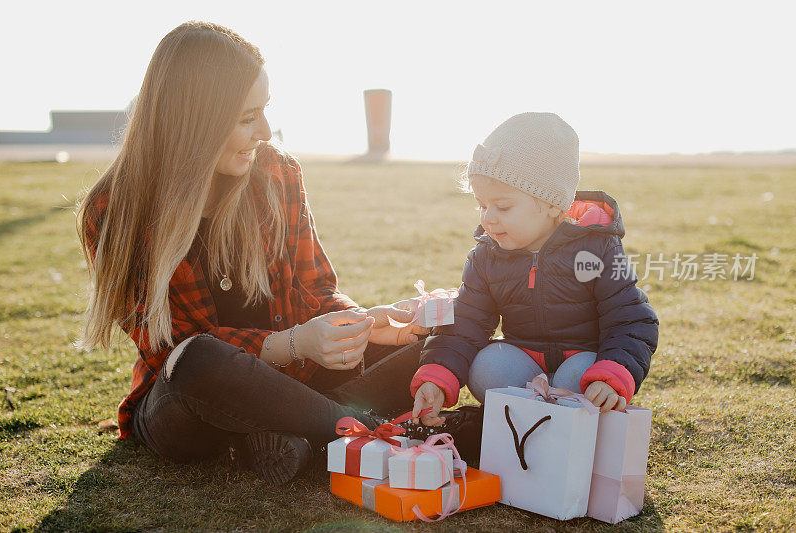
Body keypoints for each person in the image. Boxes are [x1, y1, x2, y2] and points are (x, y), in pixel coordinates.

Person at [76, 21, 428, 486]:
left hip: (298, 384)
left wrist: (362, 323)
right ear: (193, 122)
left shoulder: (276, 173)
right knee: (199, 358)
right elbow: (170, 350)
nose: (264, 130)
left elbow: (316, 289)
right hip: (189, 407)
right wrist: (295, 344)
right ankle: (348, 429)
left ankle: (301, 434)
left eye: (264, 111)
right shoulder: (114, 211)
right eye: (246, 118)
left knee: (434, 342)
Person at [409, 112, 659, 429]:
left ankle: (574, 419)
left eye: (503, 206)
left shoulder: (598, 249)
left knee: (577, 377)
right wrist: (438, 376)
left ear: (553, 204)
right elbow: (467, 321)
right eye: (481, 204)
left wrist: (612, 374)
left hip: (582, 361)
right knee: (487, 367)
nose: (488, 218)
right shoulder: (487, 255)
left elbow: (631, 317)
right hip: (524, 361)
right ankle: (530, 422)